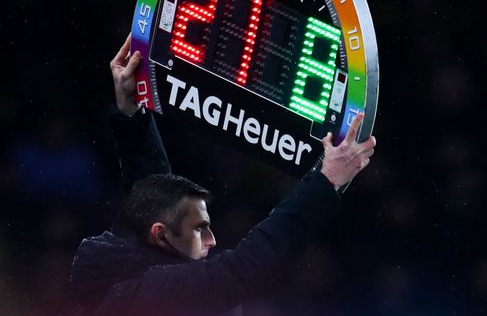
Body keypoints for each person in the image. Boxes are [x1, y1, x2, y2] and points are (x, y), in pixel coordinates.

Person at [70, 35, 376, 315]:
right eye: (199, 229)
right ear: (160, 234)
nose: (212, 240)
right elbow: (245, 267)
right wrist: (325, 182)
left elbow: (149, 191)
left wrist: (131, 113)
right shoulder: (154, 293)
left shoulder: (129, 267)